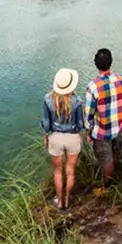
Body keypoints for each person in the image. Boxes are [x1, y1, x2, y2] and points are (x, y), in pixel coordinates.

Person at [84, 48, 122, 191]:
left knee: (106, 160)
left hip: (102, 131)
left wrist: (88, 131)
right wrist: (120, 119)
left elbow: (89, 114)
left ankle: (108, 188)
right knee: (116, 153)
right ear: (111, 62)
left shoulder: (93, 87)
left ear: (96, 64)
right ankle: (116, 179)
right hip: (119, 126)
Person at [42, 67, 85, 210]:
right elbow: (80, 124)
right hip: (72, 138)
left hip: (55, 138)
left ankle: (60, 203)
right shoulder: (77, 101)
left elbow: (46, 123)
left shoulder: (48, 99)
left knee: (57, 171)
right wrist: (80, 135)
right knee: (70, 171)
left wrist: (46, 135)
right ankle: (67, 200)